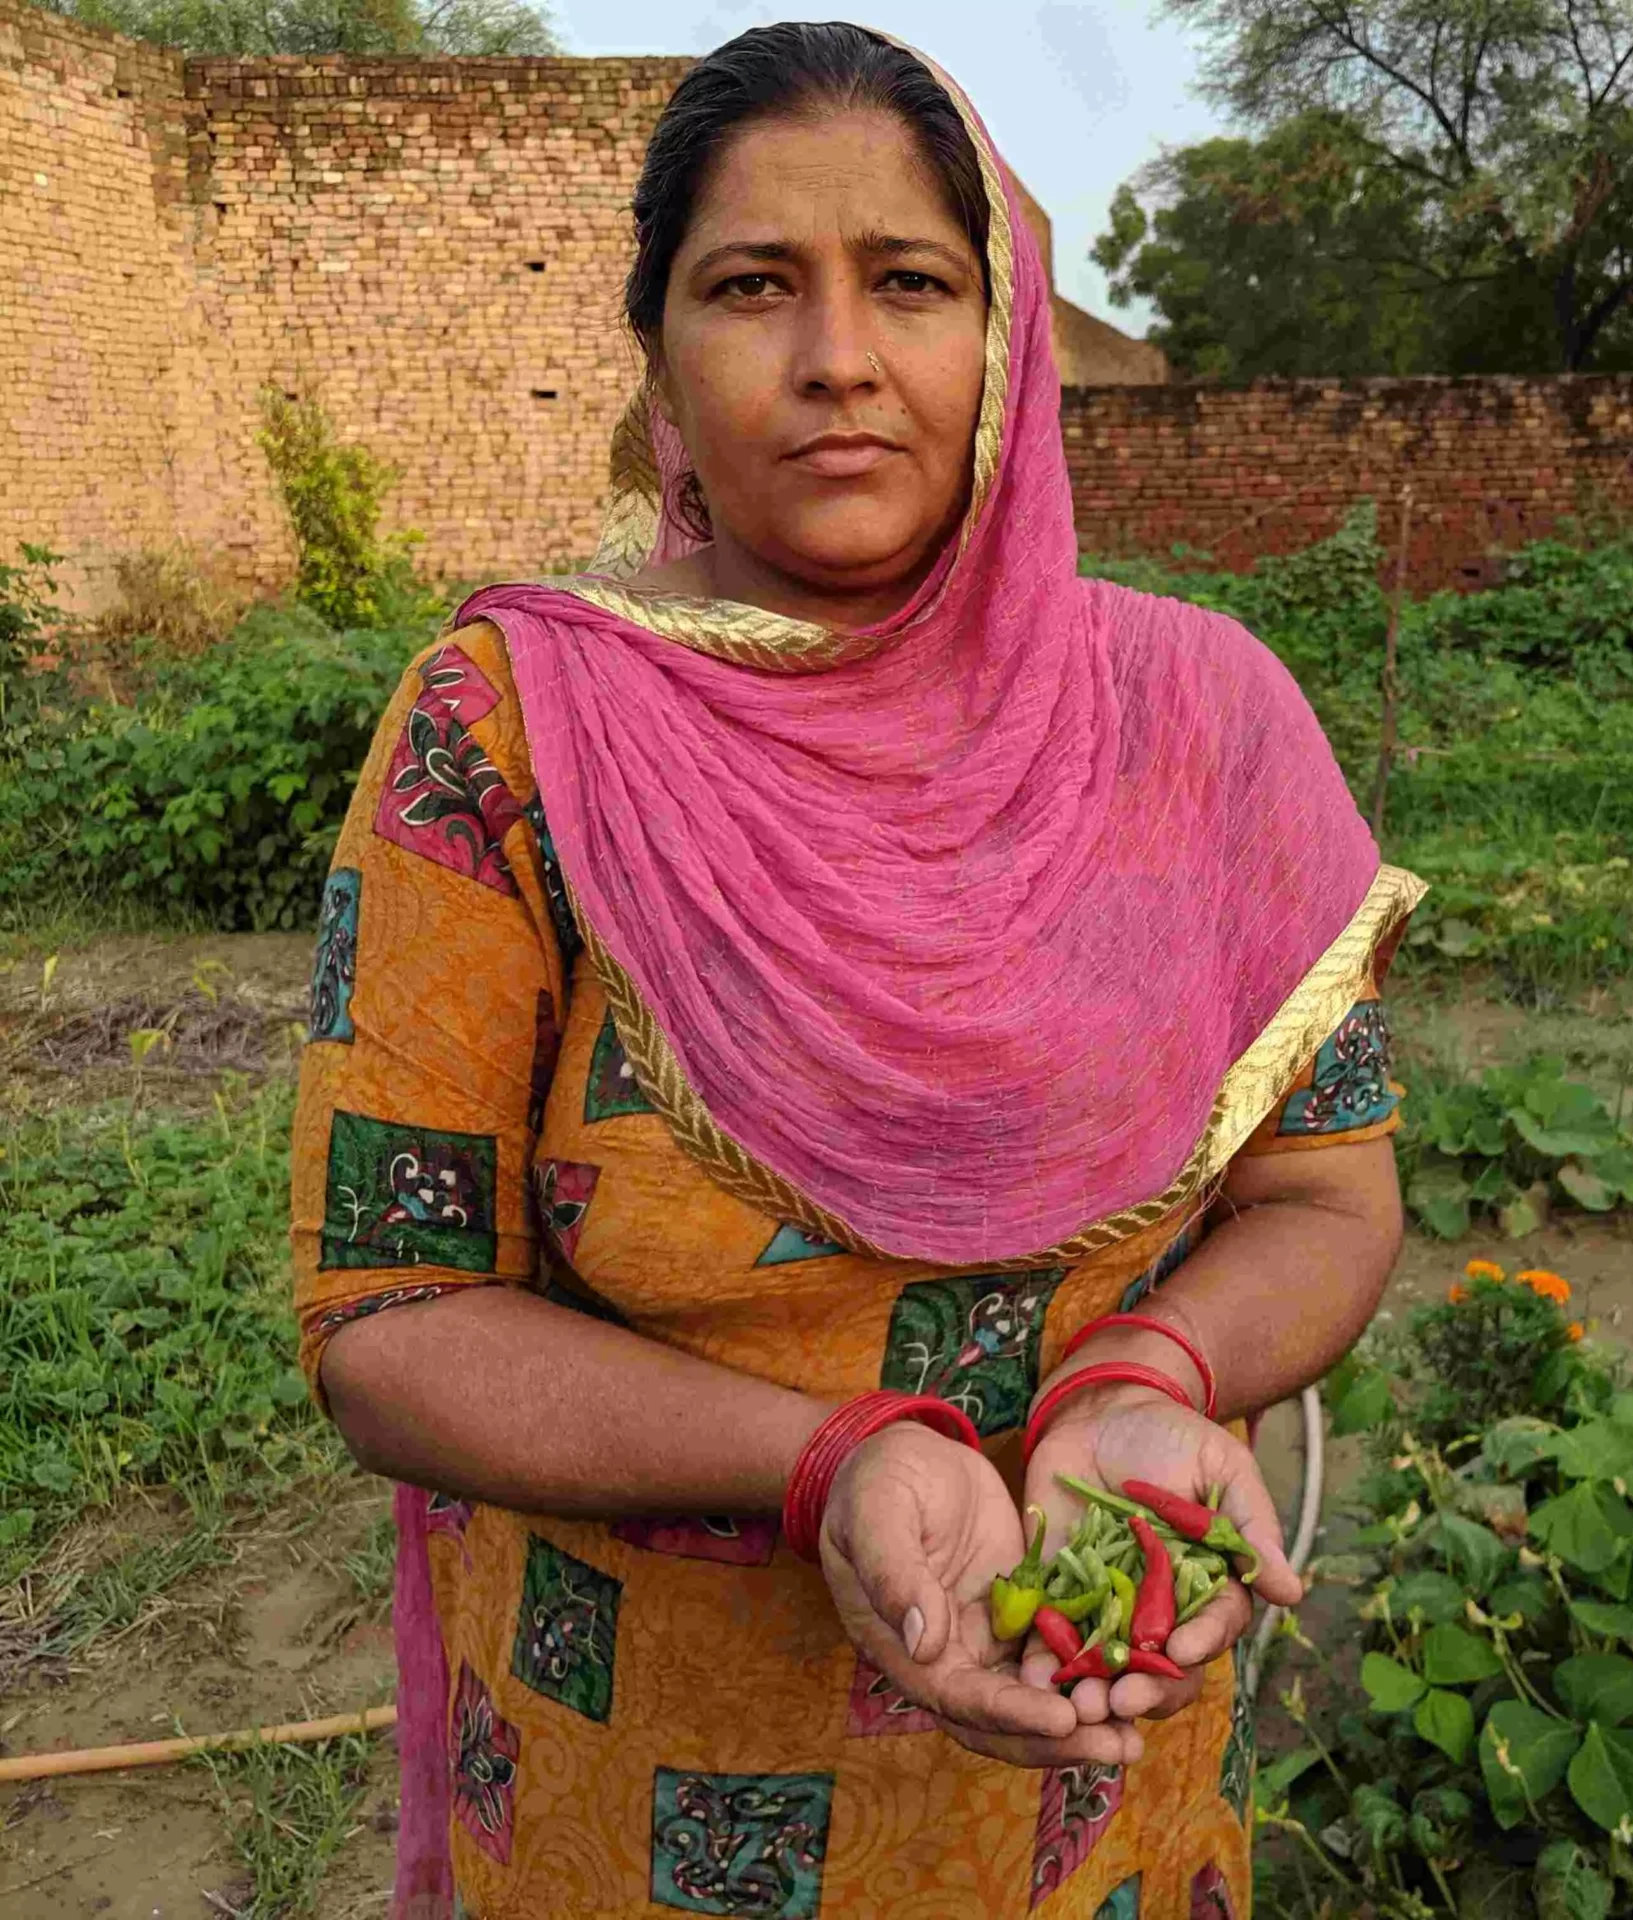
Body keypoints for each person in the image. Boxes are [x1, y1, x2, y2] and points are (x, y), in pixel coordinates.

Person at [289, 22, 1418, 1917]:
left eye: (912, 281)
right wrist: (822, 1464)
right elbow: (390, 1317)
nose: (838, 359)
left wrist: (1158, 1370)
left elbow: (1324, 1192)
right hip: (628, 1783)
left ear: (1008, 338)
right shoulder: (506, 733)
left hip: (1091, 1775)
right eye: (752, 289)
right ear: (659, 368)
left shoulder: (1198, 720)